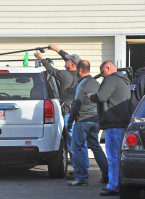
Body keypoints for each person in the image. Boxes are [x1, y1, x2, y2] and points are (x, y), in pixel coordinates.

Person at [34, 44, 84, 178]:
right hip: (79, 113)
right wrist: (56, 49)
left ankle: (80, 172)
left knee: (72, 142)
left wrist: (41, 58)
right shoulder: (80, 74)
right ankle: (80, 169)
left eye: (67, 60)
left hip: (68, 114)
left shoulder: (64, 75)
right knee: (78, 142)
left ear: (71, 64)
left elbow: (51, 70)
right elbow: (68, 58)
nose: (65, 61)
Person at [87, 61, 131, 196]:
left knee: (112, 157)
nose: (102, 75)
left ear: (108, 68)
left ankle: (113, 186)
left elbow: (101, 96)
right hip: (123, 123)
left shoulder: (111, 79)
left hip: (114, 123)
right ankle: (119, 183)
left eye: (103, 72)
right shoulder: (125, 80)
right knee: (119, 156)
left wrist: (91, 96)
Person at [66, 60, 108, 186]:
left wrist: (70, 121)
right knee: (96, 147)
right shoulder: (97, 83)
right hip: (95, 121)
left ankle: (81, 178)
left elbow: (76, 104)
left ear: (79, 70)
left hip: (83, 120)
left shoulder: (82, 84)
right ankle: (107, 175)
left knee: (77, 148)